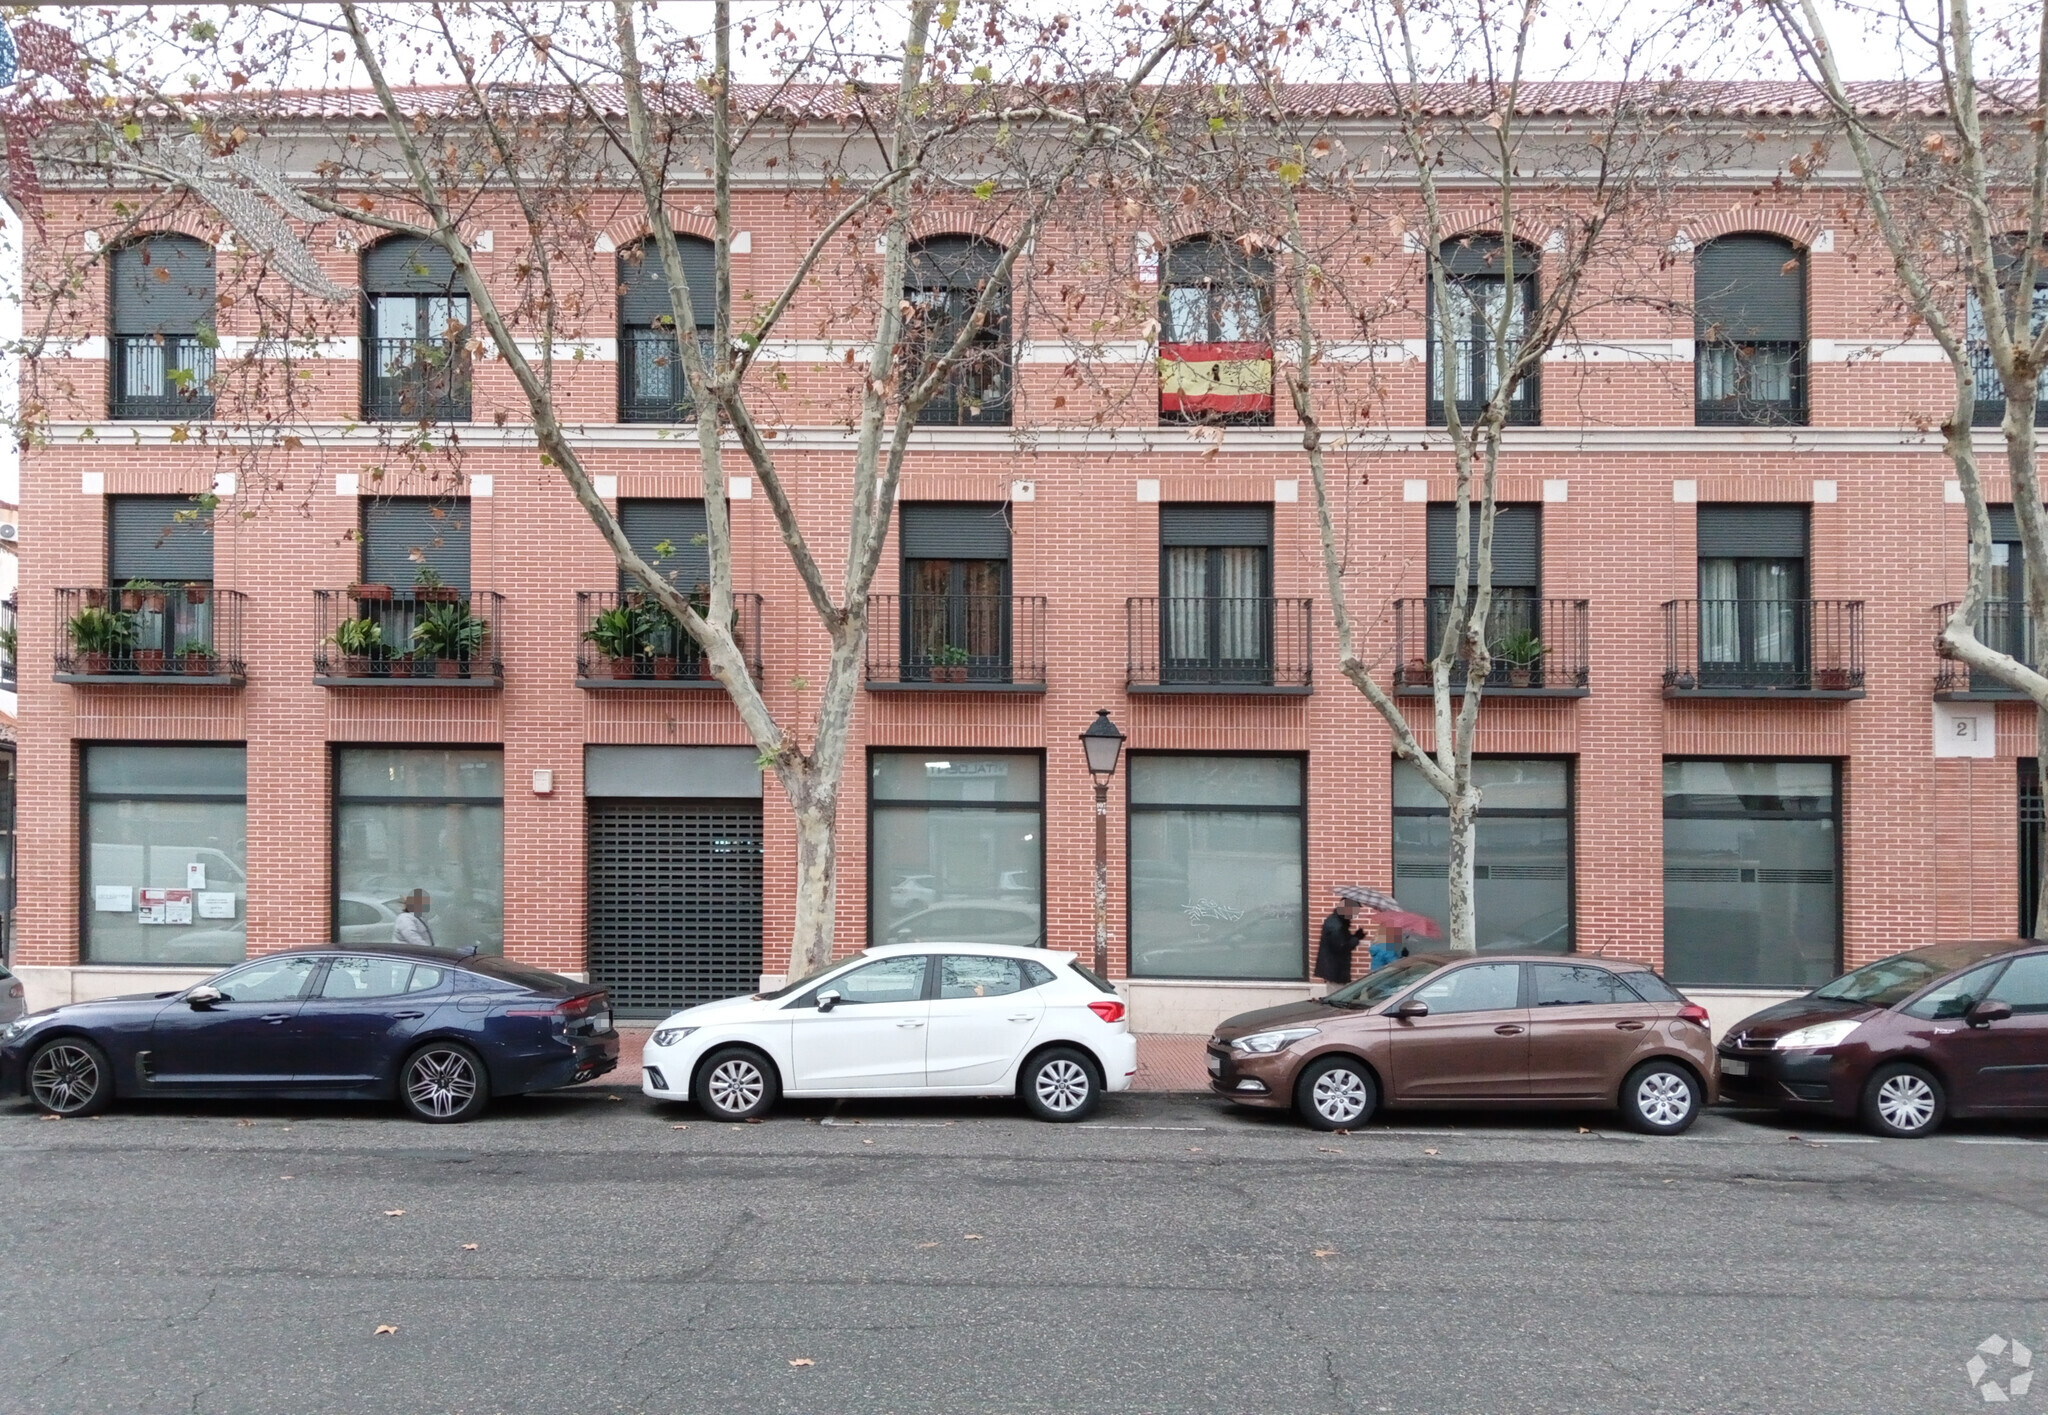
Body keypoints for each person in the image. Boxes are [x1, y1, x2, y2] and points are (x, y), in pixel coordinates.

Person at [1314, 899, 1366, 987]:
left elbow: (1342, 941)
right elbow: (1342, 947)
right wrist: (1356, 938)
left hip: (1334, 970)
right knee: (1336, 997)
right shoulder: (1336, 926)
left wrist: (1355, 937)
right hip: (1335, 971)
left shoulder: (1337, 921)